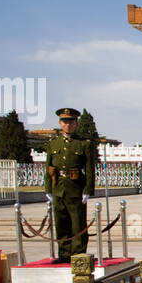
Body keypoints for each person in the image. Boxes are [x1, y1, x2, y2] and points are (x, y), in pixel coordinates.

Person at [44, 107, 97, 263]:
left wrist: (88, 189)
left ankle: (78, 254)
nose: (68, 125)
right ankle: (64, 254)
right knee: (61, 222)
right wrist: (48, 188)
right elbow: (48, 167)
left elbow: (89, 169)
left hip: (75, 187)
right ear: (60, 123)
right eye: (65, 122)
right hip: (58, 186)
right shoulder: (53, 143)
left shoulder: (83, 144)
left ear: (76, 123)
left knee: (77, 222)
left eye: (71, 122)